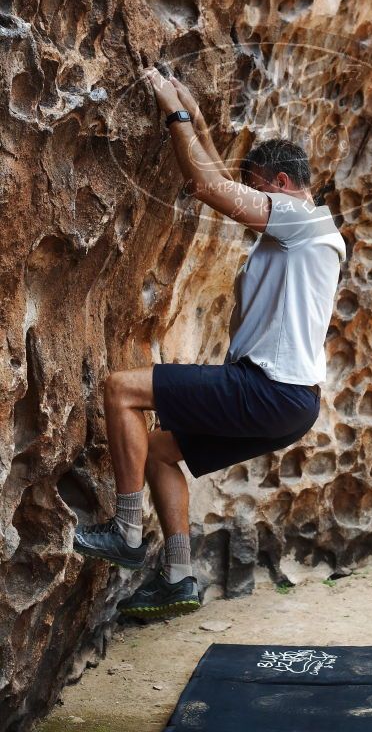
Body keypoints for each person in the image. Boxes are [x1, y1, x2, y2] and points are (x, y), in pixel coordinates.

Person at [73, 66, 346, 619]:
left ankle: (126, 530)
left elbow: (210, 188)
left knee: (121, 390)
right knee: (156, 451)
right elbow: (227, 183)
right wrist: (197, 119)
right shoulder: (307, 227)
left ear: (281, 184)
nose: (255, 196)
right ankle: (177, 577)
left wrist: (173, 114)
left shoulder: (300, 218)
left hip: (268, 389)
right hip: (292, 403)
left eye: (260, 185)